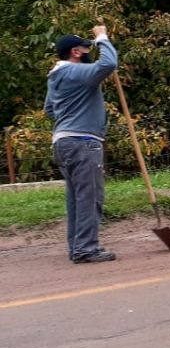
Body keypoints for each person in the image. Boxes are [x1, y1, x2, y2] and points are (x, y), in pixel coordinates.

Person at [45, 24, 118, 264]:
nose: (89, 51)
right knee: (90, 196)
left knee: (77, 197)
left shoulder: (56, 76)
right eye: (86, 48)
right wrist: (102, 38)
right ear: (76, 52)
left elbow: (49, 110)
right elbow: (108, 64)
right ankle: (86, 249)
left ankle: (78, 247)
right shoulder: (72, 72)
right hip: (82, 142)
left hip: (63, 141)